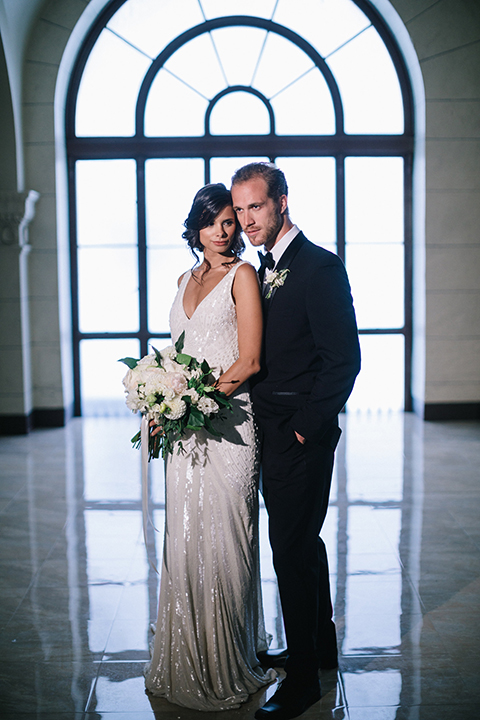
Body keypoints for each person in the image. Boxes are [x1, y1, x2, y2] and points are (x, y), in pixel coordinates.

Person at [231, 163, 361, 720]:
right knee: (303, 540)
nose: (245, 220)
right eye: (238, 210)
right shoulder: (261, 270)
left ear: (282, 202)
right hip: (268, 430)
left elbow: (344, 361)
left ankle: (304, 678)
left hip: (299, 433)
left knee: (289, 549)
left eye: (255, 207)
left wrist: (306, 426)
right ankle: (319, 646)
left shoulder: (320, 268)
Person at [144, 183, 275, 710]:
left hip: (229, 426)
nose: (225, 231)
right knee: (187, 537)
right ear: (195, 227)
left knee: (229, 539)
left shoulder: (243, 276)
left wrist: (193, 400)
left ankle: (229, 656)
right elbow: (178, 355)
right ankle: (186, 652)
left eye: (230, 221)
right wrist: (162, 402)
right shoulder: (183, 279)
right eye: (214, 222)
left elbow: (249, 362)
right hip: (185, 432)